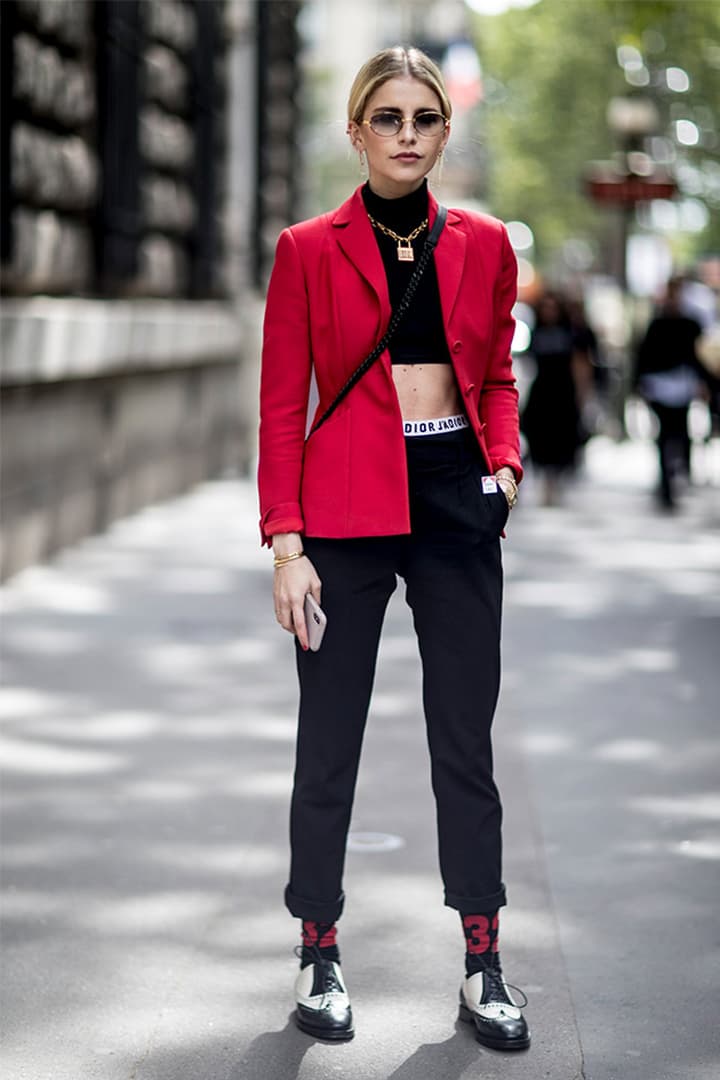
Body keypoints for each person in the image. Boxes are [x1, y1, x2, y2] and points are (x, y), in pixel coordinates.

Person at [257, 45, 529, 1052]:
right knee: (328, 745)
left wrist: (501, 468)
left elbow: (496, 374)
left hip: (458, 501)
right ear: (357, 130)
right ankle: (318, 948)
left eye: (424, 118)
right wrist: (287, 545)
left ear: (444, 131)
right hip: (342, 514)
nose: (408, 134)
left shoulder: (488, 243)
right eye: (388, 118)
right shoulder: (307, 249)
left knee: (466, 745)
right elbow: (283, 406)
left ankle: (484, 961)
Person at [635, 277, 706, 508]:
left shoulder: (691, 324)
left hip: (682, 386)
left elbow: (698, 356)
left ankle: (680, 472)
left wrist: (703, 383)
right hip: (660, 387)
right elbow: (644, 356)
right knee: (665, 435)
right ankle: (666, 484)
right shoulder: (657, 323)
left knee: (680, 433)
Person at [521, 291, 592, 505]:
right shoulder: (537, 333)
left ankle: (556, 481)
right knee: (538, 437)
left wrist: (582, 393)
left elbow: (580, 364)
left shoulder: (570, 333)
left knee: (562, 439)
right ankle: (544, 481)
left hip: (563, 394)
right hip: (542, 393)